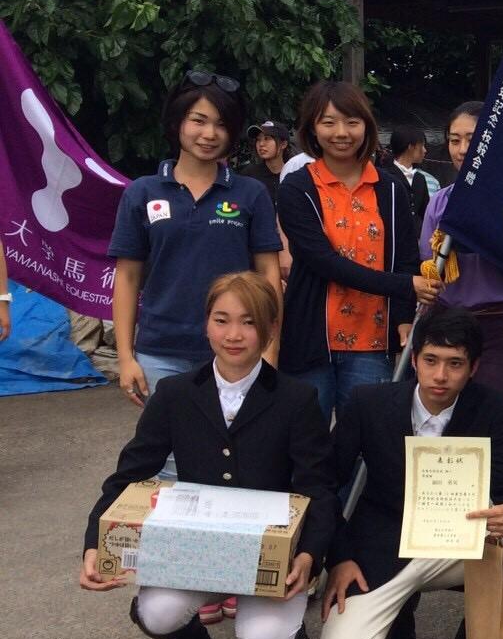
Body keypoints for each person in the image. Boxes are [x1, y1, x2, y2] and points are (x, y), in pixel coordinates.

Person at [78, 271, 337, 639]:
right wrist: (93, 542)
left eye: (249, 322)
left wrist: (310, 555)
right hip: (195, 547)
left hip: (267, 552)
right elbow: (129, 474)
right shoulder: (175, 394)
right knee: (157, 612)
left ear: (271, 327)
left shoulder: (297, 399)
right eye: (222, 320)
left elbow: (320, 487)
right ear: (206, 324)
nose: (234, 335)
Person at [316, 307, 503, 639]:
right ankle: (397, 613)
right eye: (430, 361)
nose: (440, 376)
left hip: (457, 541)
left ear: (473, 367)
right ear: (414, 360)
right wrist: (337, 558)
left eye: (454, 364)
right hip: (381, 549)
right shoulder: (368, 403)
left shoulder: (492, 408)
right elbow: (324, 484)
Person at [108, 70, 281, 410]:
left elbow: (269, 274)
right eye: (198, 120)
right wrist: (126, 357)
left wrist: (269, 353)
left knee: (238, 456)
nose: (209, 134)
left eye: (221, 124)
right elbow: (127, 277)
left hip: (237, 348)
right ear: (177, 123)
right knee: (170, 459)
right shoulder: (142, 192)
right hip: (160, 353)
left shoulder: (250, 193)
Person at [276, 81, 441, 425]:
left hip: (373, 344)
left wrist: (403, 319)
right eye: (329, 122)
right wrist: (404, 285)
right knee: (308, 442)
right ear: (311, 129)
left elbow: (405, 257)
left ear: (366, 126)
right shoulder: (297, 187)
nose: (341, 132)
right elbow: (323, 261)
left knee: (367, 446)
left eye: (352, 122)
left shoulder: (392, 187)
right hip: (310, 340)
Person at [419, 101, 503, 427]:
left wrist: (482, 233)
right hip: (446, 322)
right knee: (444, 427)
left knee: (494, 430)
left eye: (471, 139)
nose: (461, 149)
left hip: (499, 324)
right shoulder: (440, 201)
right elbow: (428, 266)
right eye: (454, 140)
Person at [386, 124, 437, 231]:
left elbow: (425, 214)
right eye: (422, 146)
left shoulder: (420, 178)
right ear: (410, 147)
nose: (425, 150)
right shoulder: (385, 176)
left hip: (416, 239)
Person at [241, 120, 292, 206]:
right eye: (258, 139)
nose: (261, 144)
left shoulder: (293, 173)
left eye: (267, 138)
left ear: (283, 144)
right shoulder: (249, 175)